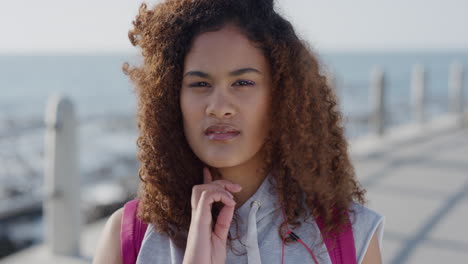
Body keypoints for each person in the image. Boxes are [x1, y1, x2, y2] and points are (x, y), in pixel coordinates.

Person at [93, 0, 385, 263]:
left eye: (243, 83)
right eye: (199, 84)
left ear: (281, 96)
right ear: (171, 99)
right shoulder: (128, 237)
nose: (219, 107)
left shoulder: (350, 236)